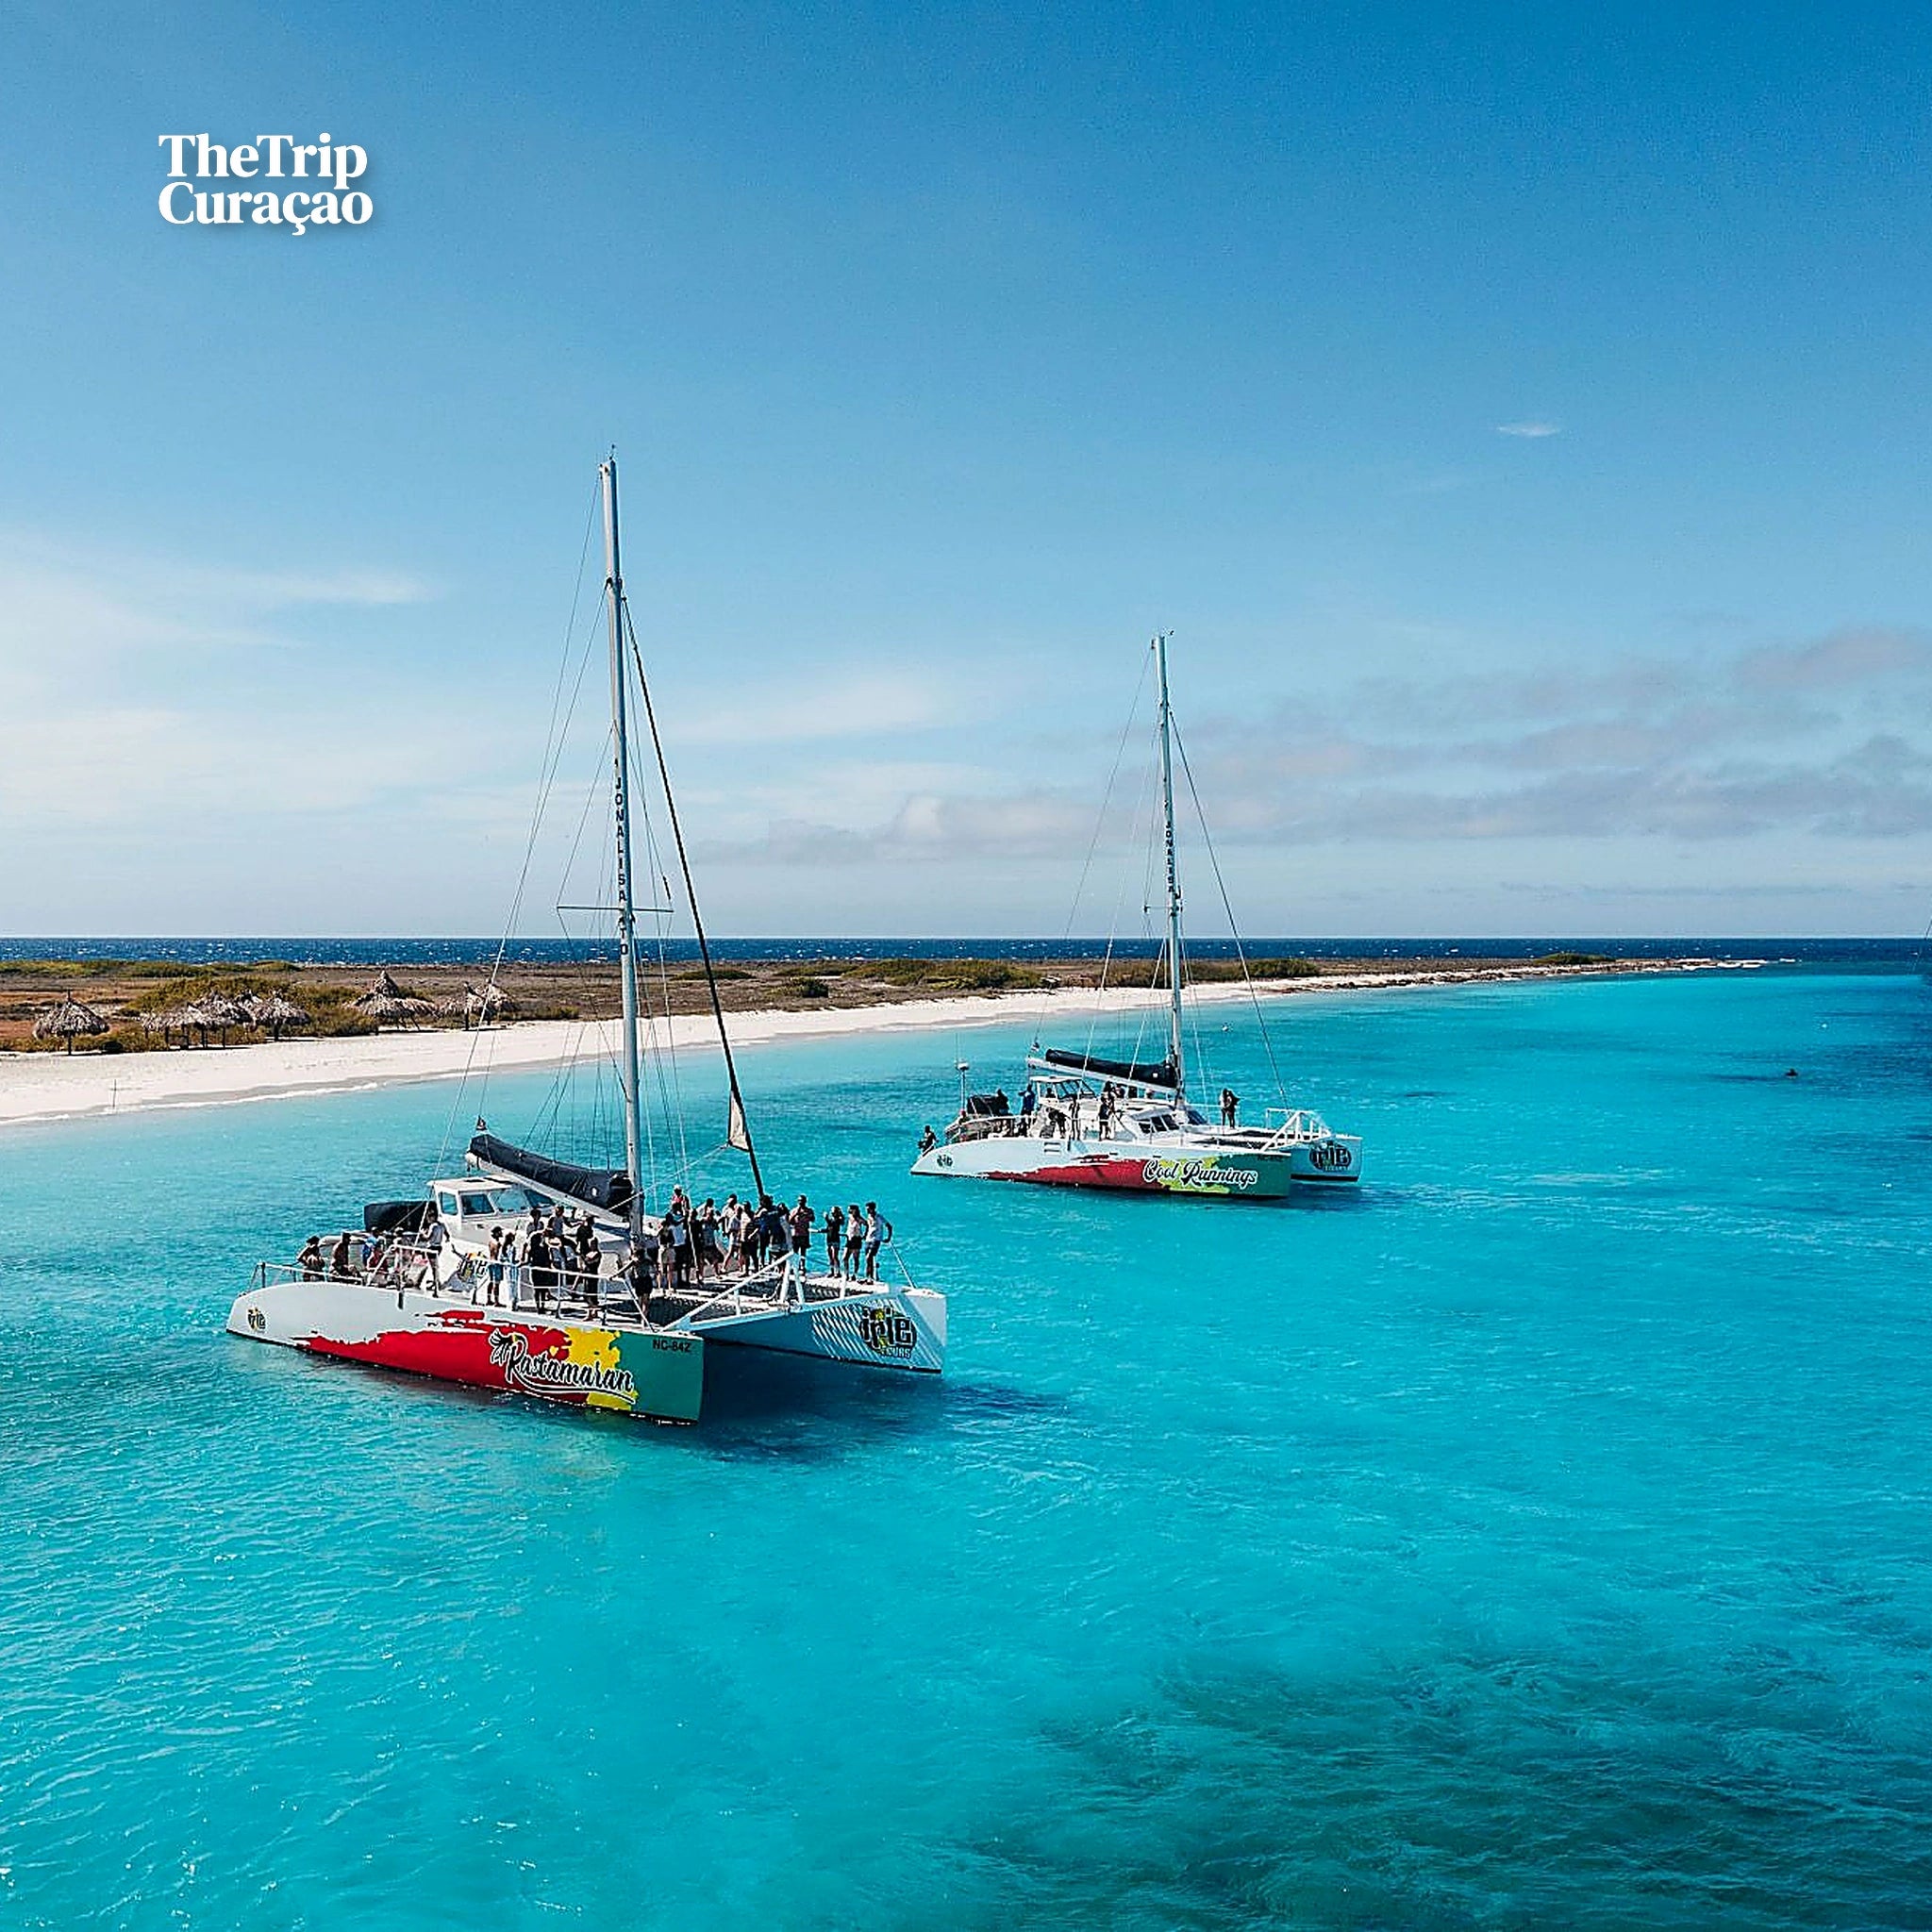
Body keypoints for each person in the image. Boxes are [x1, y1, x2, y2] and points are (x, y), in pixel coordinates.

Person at [862, 1201, 891, 1283]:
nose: (867, 1211)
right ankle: (868, 1277)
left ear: (873, 1209)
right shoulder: (868, 1216)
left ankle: (870, 1278)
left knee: (869, 1257)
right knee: (867, 1259)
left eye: (868, 1209)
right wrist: (865, 1235)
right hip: (868, 1239)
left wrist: (888, 1237)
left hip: (876, 1239)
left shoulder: (879, 1217)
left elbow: (889, 1226)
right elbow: (868, 1226)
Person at [789, 1194, 815, 1264]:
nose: (801, 1202)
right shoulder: (794, 1210)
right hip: (795, 1234)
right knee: (795, 1251)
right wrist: (795, 1214)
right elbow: (790, 1222)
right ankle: (795, 1265)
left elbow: (812, 1219)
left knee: (803, 1251)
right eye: (799, 1201)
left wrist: (808, 1215)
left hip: (804, 1233)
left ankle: (802, 1265)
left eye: (802, 1201)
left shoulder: (809, 1210)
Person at [841, 1204, 864, 1279]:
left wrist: (864, 1235)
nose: (849, 1211)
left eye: (850, 1209)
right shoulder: (849, 1217)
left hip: (856, 1239)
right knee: (845, 1258)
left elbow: (867, 1224)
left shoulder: (859, 1218)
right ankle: (846, 1274)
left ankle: (855, 1274)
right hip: (849, 1239)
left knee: (855, 1258)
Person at [485, 1227, 506, 1307]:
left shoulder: (490, 1242)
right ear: (496, 1233)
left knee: (491, 1282)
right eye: (500, 1232)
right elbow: (498, 1254)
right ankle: (497, 1301)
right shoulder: (497, 1243)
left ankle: (489, 1299)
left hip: (490, 1262)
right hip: (496, 1264)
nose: (501, 1233)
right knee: (496, 1283)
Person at [823, 1201, 845, 1274]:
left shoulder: (838, 1219)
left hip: (835, 1238)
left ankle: (837, 1272)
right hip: (829, 1238)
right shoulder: (831, 1219)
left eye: (833, 1211)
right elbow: (829, 1227)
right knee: (830, 1256)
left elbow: (833, 1224)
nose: (832, 1213)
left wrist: (826, 1218)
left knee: (835, 1256)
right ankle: (831, 1271)